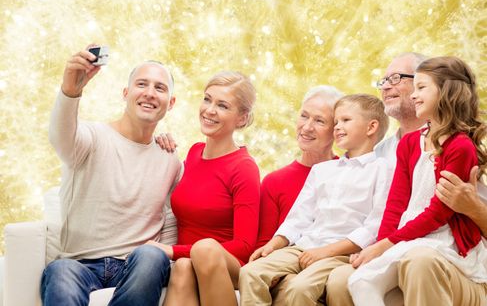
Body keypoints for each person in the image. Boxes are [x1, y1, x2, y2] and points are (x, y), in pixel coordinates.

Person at [326, 52, 487, 306]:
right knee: (356, 280)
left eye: (420, 87)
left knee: (419, 261)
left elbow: (438, 213)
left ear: (445, 93)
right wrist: (379, 246)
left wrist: (386, 244)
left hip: (440, 243)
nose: (413, 94)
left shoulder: (461, 147)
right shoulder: (406, 145)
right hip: (405, 237)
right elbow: (396, 204)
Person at [41, 46, 182, 306]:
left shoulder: (170, 158)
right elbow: (60, 137)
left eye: (160, 88)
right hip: (79, 265)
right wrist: (70, 91)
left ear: (170, 103)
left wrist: (168, 259)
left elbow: (171, 220)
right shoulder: (91, 138)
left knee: (152, 257)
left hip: (137, 266)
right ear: (126, 93)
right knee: (60, 272)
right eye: (142, 84)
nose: (150, 93)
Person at [238, 93, 391, 306]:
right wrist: (274, 244)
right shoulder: (321, 170)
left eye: (345, 121)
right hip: (304, 246)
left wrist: (324, 252)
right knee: (250, 273)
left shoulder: (384, 169)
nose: (337, 127)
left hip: (341, 253)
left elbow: (374, 226)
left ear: (371, 127)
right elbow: (299, 217)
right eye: (336, 122)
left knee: (299, 289)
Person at [149, 71, 260, 306]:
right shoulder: (194, 152)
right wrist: (155, 143)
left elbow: (244, 246)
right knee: (183, 267)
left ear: (241, 118)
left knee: (203, 250)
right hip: (186, 262)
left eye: (222, 105)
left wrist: (173, 251)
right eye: (207, 99)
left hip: (224, 265)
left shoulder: (244, 167)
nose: (209, 110)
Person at [256, 85, 343, 248]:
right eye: (304, 116)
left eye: (319, 121)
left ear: (336, 129)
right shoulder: (274, 182)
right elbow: (262, 246)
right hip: (280, 267)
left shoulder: (348, 175)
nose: (307, 127)